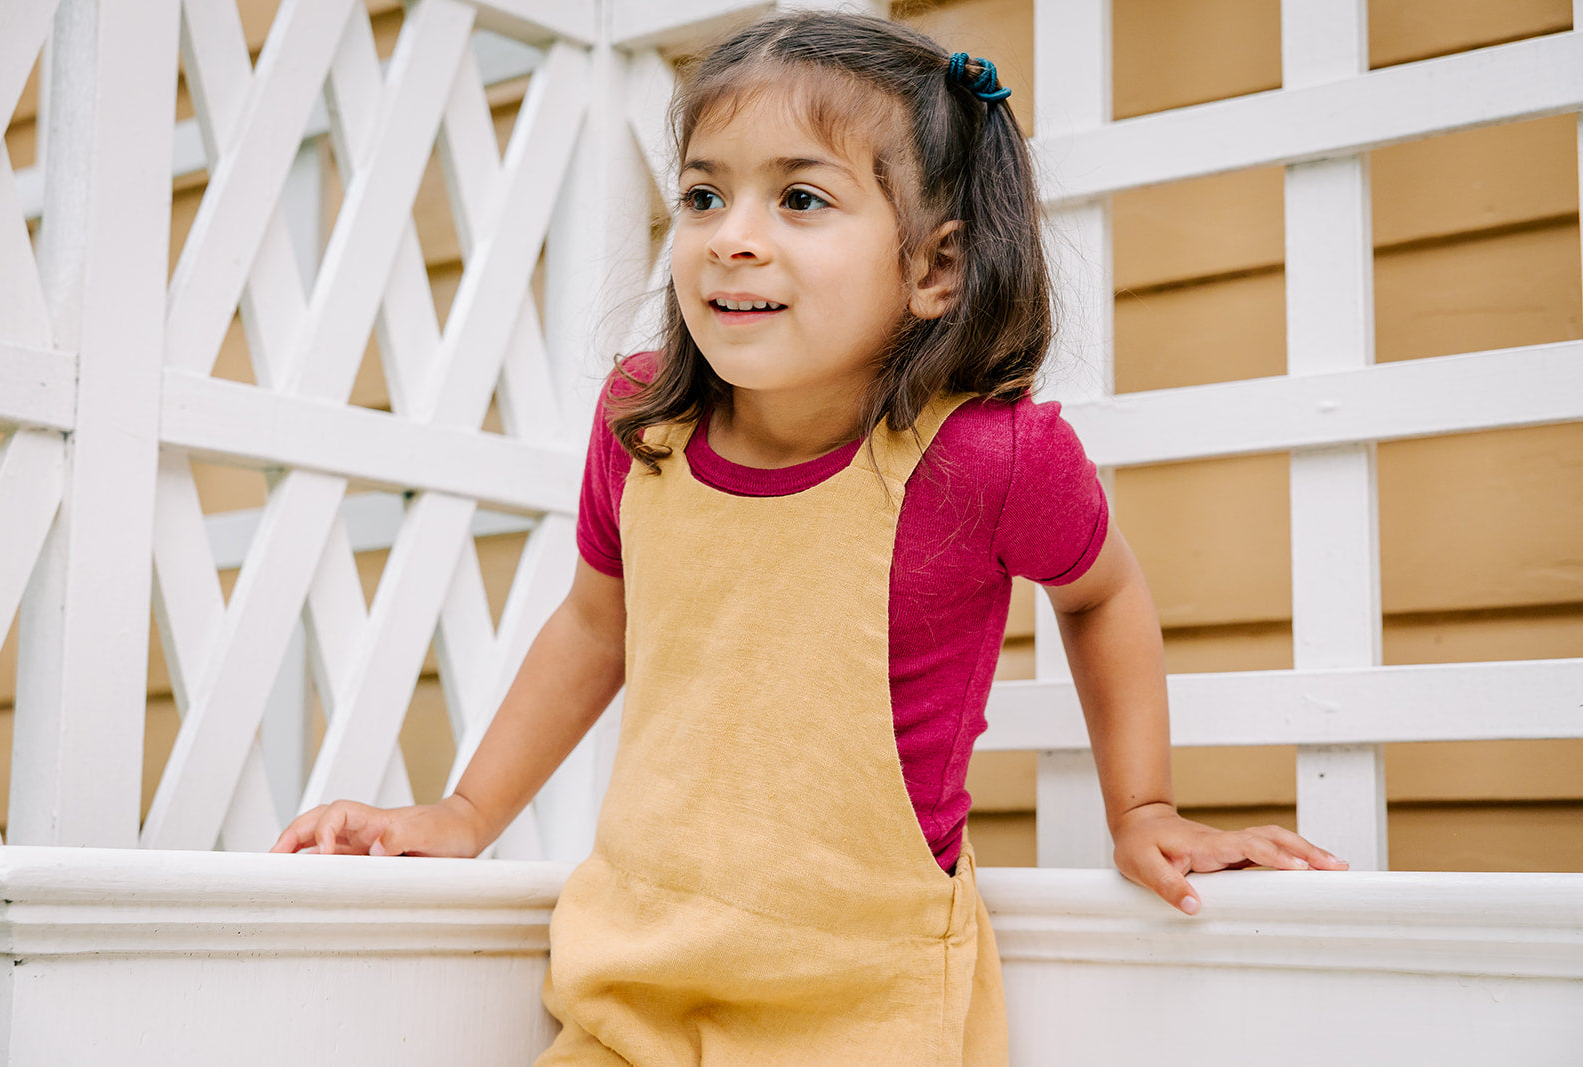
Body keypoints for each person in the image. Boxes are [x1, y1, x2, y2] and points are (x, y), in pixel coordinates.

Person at [273, 11, 1347, 1063]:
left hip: (863, 1001)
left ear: (935, 269)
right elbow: (596, 625)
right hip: (629, 979)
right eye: (702, 194)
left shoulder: (986, 458)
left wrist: (1141, 804)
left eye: (798, 197)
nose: (733, 235)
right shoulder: (643, 424)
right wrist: (464, 813)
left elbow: (1100, 591)